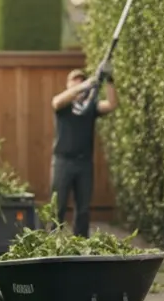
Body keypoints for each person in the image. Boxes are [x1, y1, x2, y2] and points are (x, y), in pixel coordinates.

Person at [49, 63, 117, 236]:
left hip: (84, 163)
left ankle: (81, 242)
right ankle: (52, 242)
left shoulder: (90, 107)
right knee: (57, 206)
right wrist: (84, 85)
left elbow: (111, 105)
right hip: (62, 162)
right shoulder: (64, 106)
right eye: (74, 82)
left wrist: (109, 80)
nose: (78, 86)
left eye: (81, 81)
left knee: (83, 209)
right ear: (68, 85)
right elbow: (56, 102)